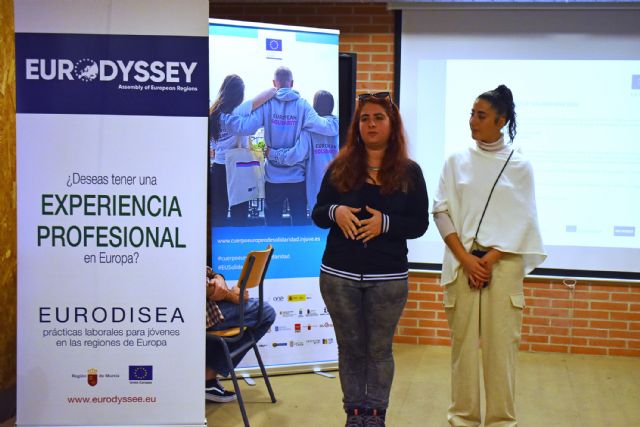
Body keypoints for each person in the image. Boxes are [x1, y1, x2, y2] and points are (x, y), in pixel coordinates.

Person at [311, 91, 429, 427]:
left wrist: (385, 223)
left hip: (388, 279)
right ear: (357, 126)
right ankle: (354, 413)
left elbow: (419, 224)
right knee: (350, 349)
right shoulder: (339, 167)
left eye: (378, 117)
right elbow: (318, 213)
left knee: (379, 350)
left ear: (392, 125)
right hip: (338, 276)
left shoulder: (410, 172)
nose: (371, 124)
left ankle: (375, 415)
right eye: (364, 118)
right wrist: (336, 212)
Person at [432, 85, 546, 426]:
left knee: (500, 352)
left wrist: (489, 259)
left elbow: (524, 220)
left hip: (503, 266)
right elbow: (440, 211)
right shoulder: (456, 162)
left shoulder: (520, 165)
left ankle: (501, 422)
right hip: (462, 263)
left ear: (501, 120)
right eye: (471, 114)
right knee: (463, 351)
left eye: (481, 115)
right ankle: (462, 419)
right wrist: (467, 260)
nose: (473, 121)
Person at [220, 66, 339, 226]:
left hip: (273, 179)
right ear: (292, 83)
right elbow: (324, 126)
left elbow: (244, 127)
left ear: (274, 83)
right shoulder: (303, 105)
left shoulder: (267, 105)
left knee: (273, 227)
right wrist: (338, 122)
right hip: (297, 178)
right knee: (299, 226)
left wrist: (222, 117)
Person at [209, 74, 275, 226]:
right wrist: (278, 88)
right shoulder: (240, 110)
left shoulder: (214, 114)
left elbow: (213, 145)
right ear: (240, 94)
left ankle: (220, 241)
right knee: (240, 214)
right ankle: (238, 240)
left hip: (218, 168)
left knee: (219, 214)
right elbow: (269, 93)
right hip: (239, 167)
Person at [205, 267, 276, 402]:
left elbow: (208, 272)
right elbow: (196, 286)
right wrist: (230, 295)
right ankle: (208, 378)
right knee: (266, 312)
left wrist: (219, 278)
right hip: (200, 313)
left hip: (210, 305)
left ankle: (208, 376)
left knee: (263, 311)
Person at [267, 89, 339, 213]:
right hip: (339, 188)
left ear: (314, 106)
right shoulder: (342, 127)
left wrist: (273, 154)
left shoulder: (308, 131)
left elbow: (295, 156)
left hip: (317, 192)